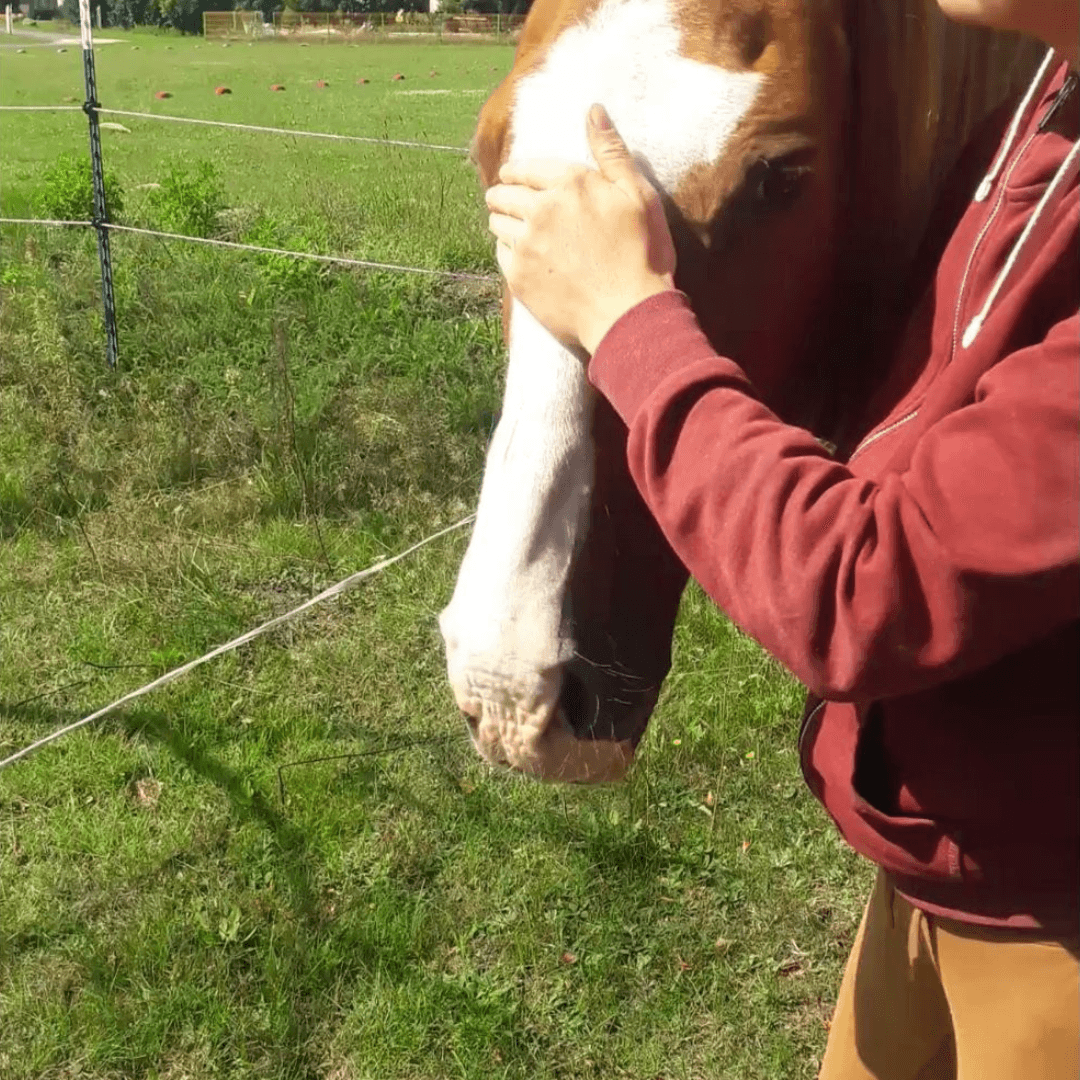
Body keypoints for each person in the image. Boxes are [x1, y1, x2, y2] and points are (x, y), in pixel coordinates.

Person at [484, 2, 1079, 1077]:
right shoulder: (1048, 103)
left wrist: (628, 319)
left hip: (1054, 914)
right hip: (937, 866)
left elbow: (879, 594)